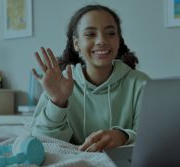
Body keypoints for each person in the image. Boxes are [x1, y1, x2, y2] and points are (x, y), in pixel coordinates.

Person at [31, 4, 150, 152]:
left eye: (111, 33)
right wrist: (57, 102)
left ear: (118, 40)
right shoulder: (60, 83)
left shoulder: (141, 83)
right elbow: (42, 142)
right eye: (90, 34)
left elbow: (153, 136)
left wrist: (123, 136)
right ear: (76, 44)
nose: (101, 40)